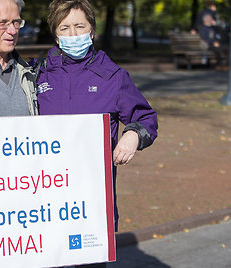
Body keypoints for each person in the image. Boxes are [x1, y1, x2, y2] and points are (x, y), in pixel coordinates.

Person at [35, 0, 158, 266]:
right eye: (64, 28)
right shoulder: (37, 74)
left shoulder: (112, 77)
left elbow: (145, 117)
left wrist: (133, 135)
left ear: (92, 31)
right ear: (55, 33)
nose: (72, 34)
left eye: (80, 26)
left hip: (91, 200)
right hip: (45, 200)